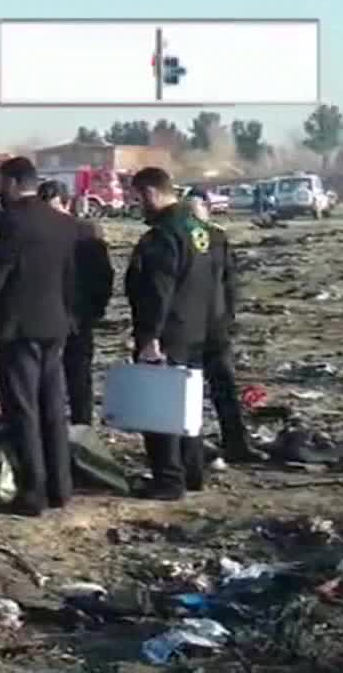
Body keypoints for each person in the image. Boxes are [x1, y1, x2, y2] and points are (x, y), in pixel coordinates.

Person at [0, 157, 80, 516]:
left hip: (19, 330)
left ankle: (33, 491)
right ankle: (61, 488)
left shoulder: (12, 222)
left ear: (16, 183)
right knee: (53, 408)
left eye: (2, 183)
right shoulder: (64, 224)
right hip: (55, 327)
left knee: (24, 410)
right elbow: (69, 278)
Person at [125, 168, 218, 500]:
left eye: (137, 198)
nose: (136, 205)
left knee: (160, 407)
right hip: (196, 329)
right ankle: (192, 471)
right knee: (188, 407)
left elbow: (157, 291)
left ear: (150, 193)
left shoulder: (163, 235)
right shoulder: (199, 229)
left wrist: (149, 337)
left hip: (167, 334)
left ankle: (168, 479)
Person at [186, 190, 266, 464]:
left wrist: (228, 316)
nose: (194, 213)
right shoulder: (177, 239)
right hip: (187, 329)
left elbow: (230, 281)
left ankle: (236, 443)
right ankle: (191, 447)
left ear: (207, 209)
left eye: (197, 207)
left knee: (225, 387)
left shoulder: (219, 238)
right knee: (188, 391)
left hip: (215, 326)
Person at [39, 181, 113, 426]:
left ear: (67, 204)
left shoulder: (86, 231)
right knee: (51, 376)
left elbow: (103, 274)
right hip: (49, 315)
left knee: (78, 375)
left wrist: (95, 308)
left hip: (78, 314)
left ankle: (81, 426)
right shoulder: (39, 233)